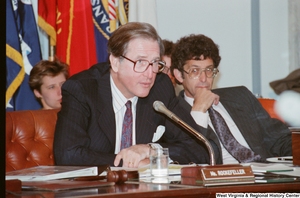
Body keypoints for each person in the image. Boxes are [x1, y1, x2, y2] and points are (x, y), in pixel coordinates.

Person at [53, 22, 204, 168]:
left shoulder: (160, 87)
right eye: (140, 62)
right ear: (115, 62)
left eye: (155, 62)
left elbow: (200, 148)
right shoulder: (83, 89)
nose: (150, 73)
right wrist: (130, 163)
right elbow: (67, 155)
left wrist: (151, 150)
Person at [169, 34, 292, 164]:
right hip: (225, 180)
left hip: (266, 174)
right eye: (195, 71)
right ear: (179, 75)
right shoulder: (172, 115)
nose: (204, 78)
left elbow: (279, 139)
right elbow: (192, 155)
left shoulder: (240, 96)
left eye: (209, 70)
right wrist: (199, 110)